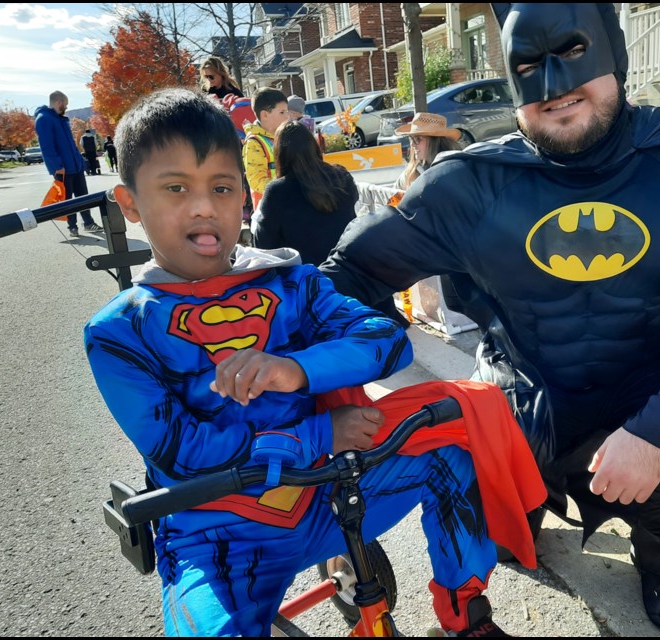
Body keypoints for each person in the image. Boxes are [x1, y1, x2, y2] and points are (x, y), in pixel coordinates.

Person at [320, 4, 660, 637]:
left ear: (614, 53)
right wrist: (339, 387)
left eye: (573, 53)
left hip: (657, 379)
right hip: (525, 387)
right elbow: (346, 278)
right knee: (461, 451)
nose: (555, 86)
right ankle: (515, 503)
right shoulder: (469, 186)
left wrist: (657, 431)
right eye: (529, 67)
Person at [84, 87, 544, 637]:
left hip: (327, 496)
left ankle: (467, 614)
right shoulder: (118, 332)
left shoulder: (292, 283)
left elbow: (387, 339)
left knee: (453, 451)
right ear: (130, 202)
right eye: (176, 188)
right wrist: (321, 432)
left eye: (222, 187)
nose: (204, 206)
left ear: (245, 196)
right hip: (219, 533)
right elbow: (183, 455)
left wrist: (294, 369)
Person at [253, 120, 358, 266]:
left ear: (279, 154)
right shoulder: (342, 177)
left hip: (302, 281)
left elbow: (263, 247)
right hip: (347, 271)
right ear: (314, 146)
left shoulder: (277, 191)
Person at [34, 90, 102, 237]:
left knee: (83, 196)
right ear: (59, 102)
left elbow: (70, 144)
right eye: (65, 104)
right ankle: (72, 227)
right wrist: (57, 166)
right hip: (63, 168)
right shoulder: (44, 119)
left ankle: (88, 223)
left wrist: (80, 161)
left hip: (75, 165)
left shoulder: (59, 119)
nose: (66, 107)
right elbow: (47, 146)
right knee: (67, 199)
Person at [243, 87, 290, 217]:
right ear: (265, 115)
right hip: (268, 212)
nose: (287, 116)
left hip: (287, 206)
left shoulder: (283, 137)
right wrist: (284, 187)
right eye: (282, 112)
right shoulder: (255, 143)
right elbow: (256, 180)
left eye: (287, 111)